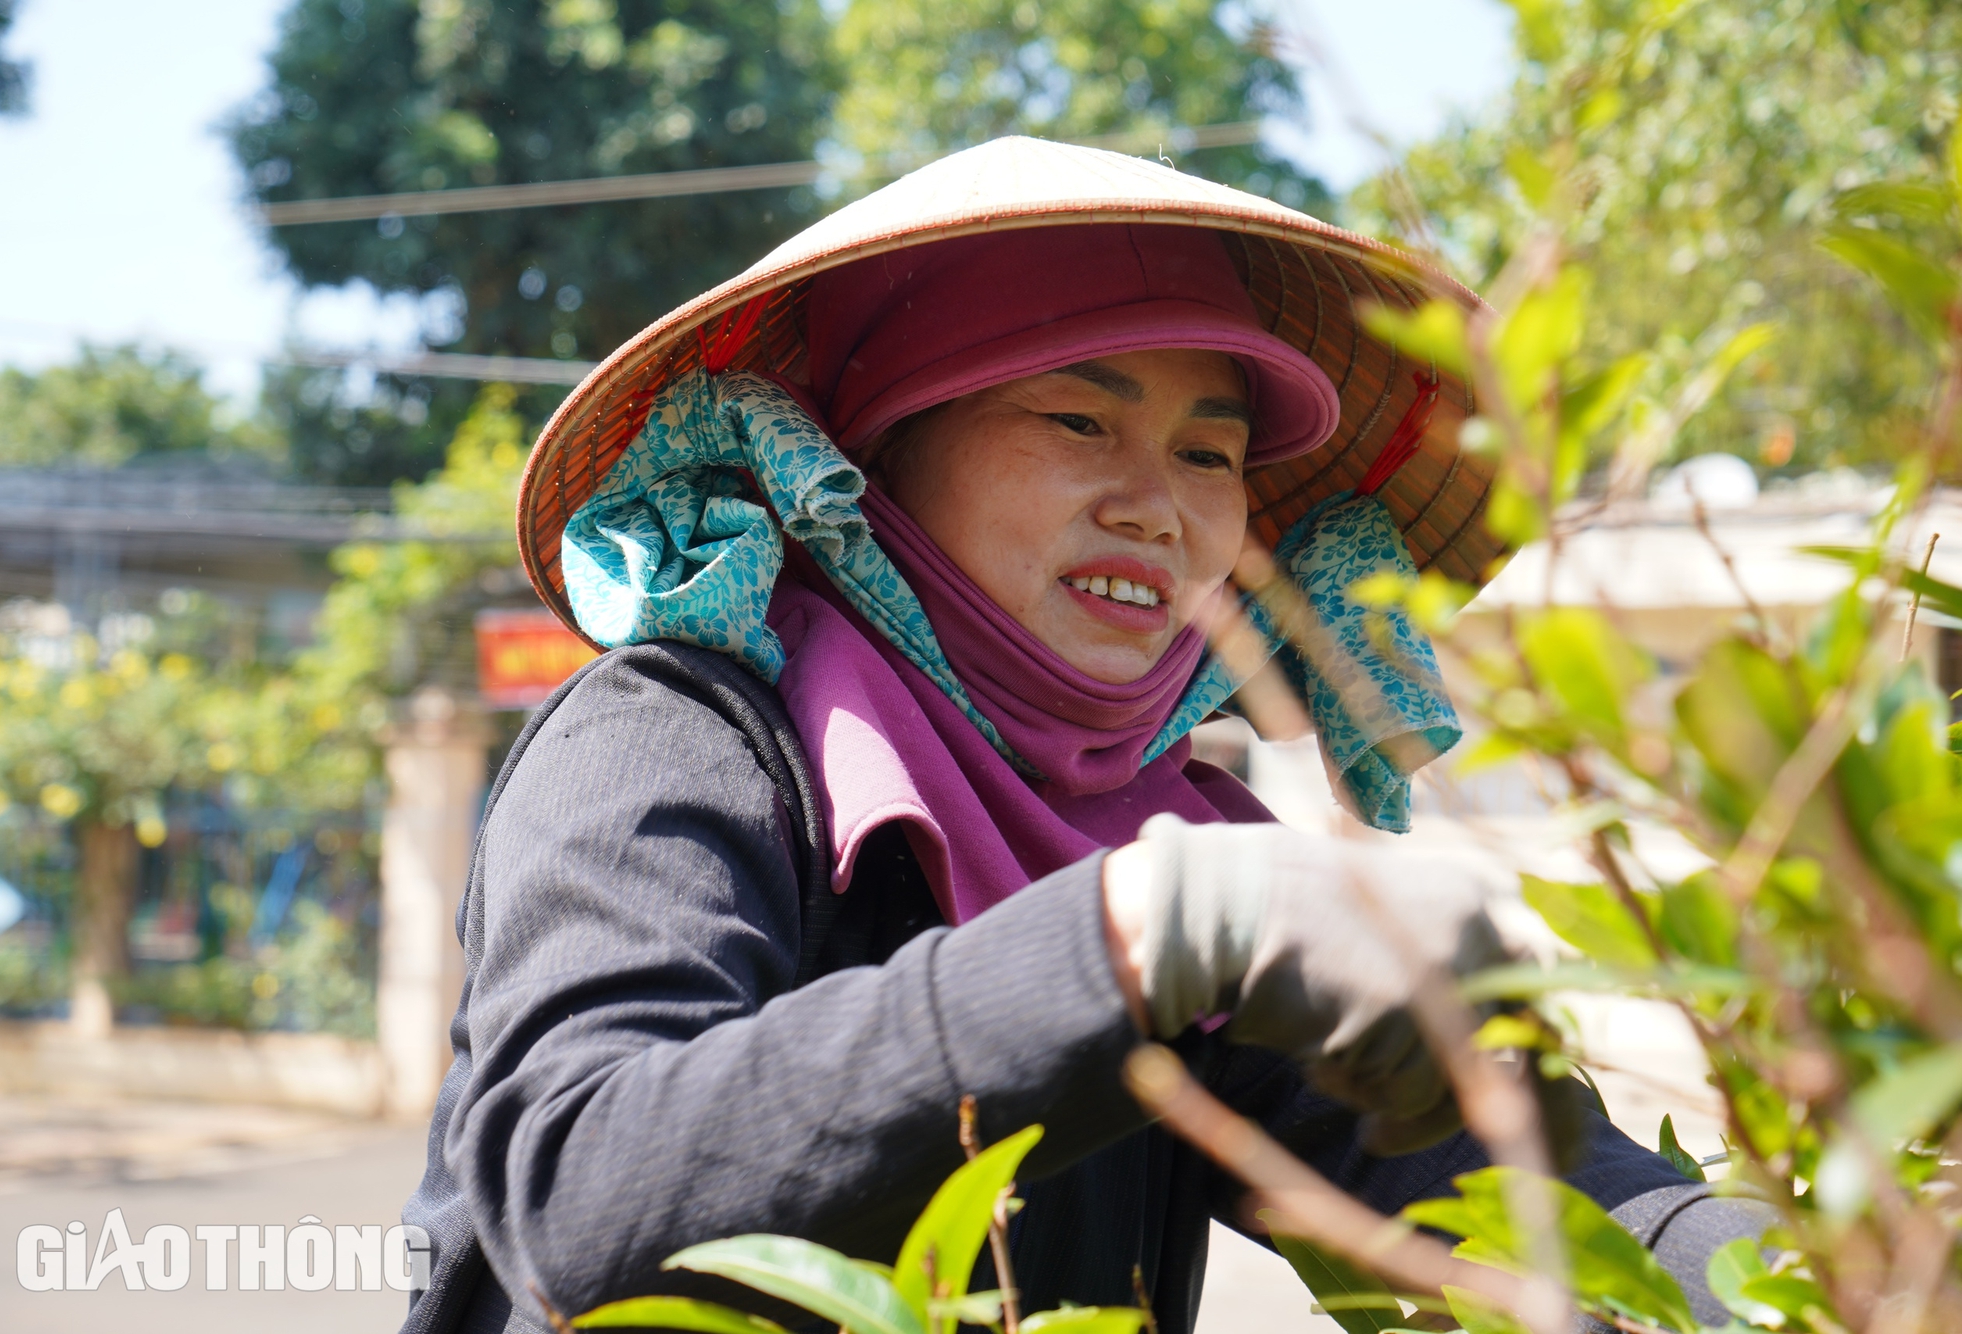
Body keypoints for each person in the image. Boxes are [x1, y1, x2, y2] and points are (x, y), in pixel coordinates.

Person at [402, 138, 1763, 1334]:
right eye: (1076, 419)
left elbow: (1496, 1179)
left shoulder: (1176, 832)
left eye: (1208, 453)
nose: (1156, 505)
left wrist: (1761, 1266)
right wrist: (1138, 932)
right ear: (874, 461)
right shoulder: (676, 734)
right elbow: (576, 1189)